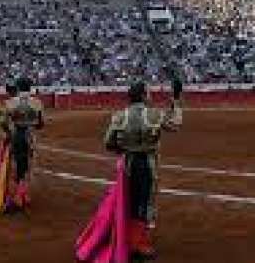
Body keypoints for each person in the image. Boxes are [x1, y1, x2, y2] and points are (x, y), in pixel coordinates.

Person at [77, 80, 180, 261]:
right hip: (148, 164)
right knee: (146, 202)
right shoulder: (154, 115)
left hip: (129, 164)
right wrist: (176, 102)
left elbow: (108, 142)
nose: (150, 95)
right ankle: (139, 244)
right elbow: (175, 124)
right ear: (142, 96)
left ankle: (128, 238)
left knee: (129, 201)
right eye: (148, 93)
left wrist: (124, 151)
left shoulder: (119, 117)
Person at [2, 77, 45, 211]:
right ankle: (24, 194)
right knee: (28, 165)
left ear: (18, 87)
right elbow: (40, 124)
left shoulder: (10, 102)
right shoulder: (37, 103)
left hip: (16, 135)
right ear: (30, 87)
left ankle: (18, 197)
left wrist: (9, 133)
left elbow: (3, 123)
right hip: (30, 136)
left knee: (17, 165)